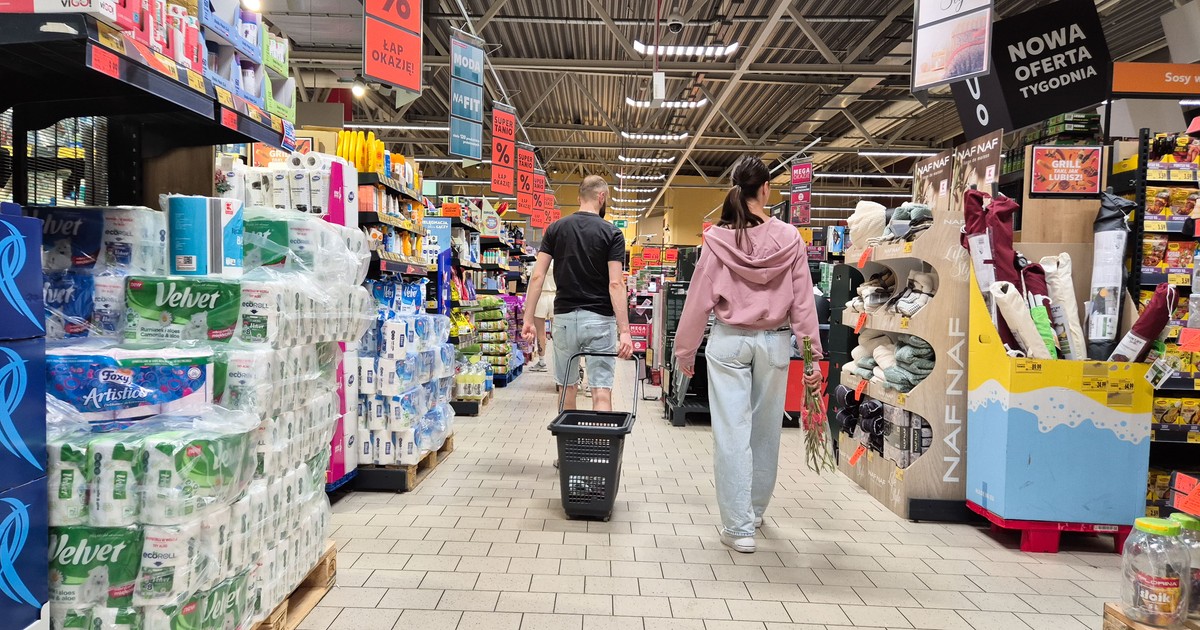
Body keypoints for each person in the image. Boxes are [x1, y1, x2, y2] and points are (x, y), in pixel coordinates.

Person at [673, 156, 824, 554]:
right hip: (774, 342)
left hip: (729, 341)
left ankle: (739, 527)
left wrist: (685, 350)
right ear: (765, 190)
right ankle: (754, 511)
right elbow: (804, 305)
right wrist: (811, 361)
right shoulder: (791, 239)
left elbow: (697, 299)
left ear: (738, 190)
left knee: (731, 434)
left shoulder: (718, 240)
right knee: (765, 431)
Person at [523, 175, 633, 413]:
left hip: (563, 321)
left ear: (579, 197)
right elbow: (615, 284)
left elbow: (538, 276)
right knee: (601, 390)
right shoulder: (612, 233)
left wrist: (528, 319)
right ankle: (601, 449)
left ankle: (570, 448)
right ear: (602, 197)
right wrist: (625, 331)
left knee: (566, 388)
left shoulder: (556, 229)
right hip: (600, 321)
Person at [527, 261, 556, 372]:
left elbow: (533, 282)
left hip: (540, 297)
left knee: (540, 332)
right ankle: (559, 363)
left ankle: (542, 362)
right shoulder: (560, 260)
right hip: (556, 297)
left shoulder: (538, 263)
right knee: (558, 333)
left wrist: (527, 303)